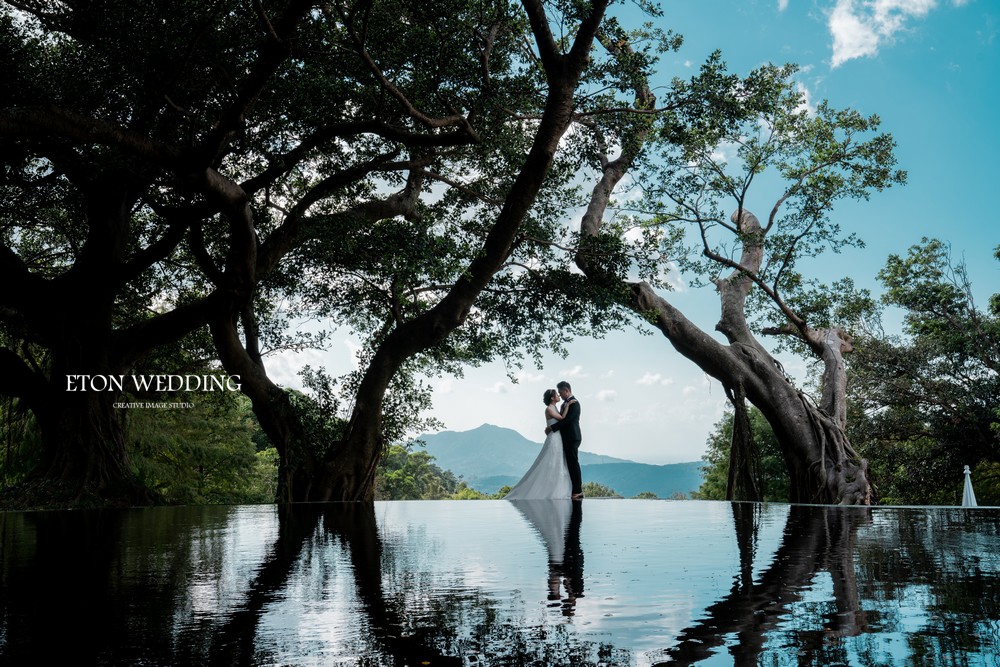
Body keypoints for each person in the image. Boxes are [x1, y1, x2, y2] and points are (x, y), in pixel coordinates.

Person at [504, 389, 572, 500]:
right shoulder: (549, 409)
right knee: (550, 462)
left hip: (558, 437)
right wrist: (568, 405)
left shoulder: (554, 408)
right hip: (554, 438)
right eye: (556, 394)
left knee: (557, 462)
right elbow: (562, 418)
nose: (558, 395)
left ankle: (557, 489)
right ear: (552, 397)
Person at [546, 381, 583, 500]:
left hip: (573, 437)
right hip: (566, 438)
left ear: (566, 390)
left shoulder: (574, 403)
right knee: (570, 464)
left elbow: (567, 421)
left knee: (573, 464)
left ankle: (578, 491)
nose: (560, 396)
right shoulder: (565, 404)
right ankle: (572, 490)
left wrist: (552, 428)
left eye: (561, 393)